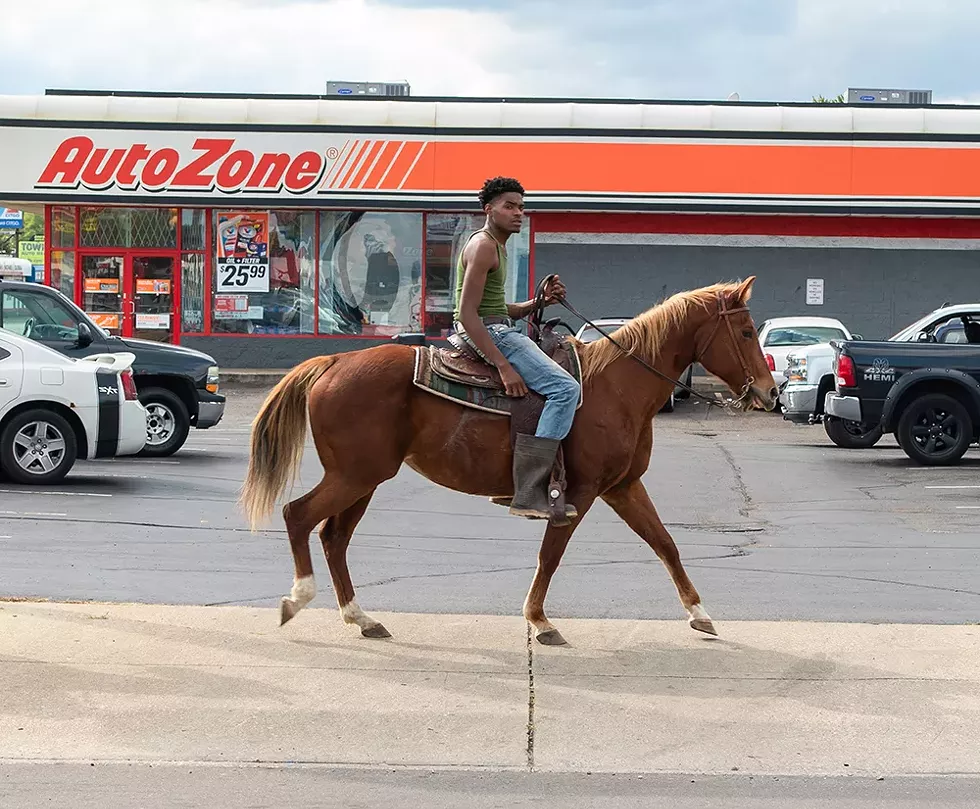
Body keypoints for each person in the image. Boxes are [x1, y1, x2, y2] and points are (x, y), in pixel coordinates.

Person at [453, 176, 580, 522]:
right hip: (493, 335)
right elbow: (467, 315)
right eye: (509, 206)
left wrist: (538, 302)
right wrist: (504, 367)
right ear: (488, 209)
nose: (518, 213)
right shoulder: (484, 246)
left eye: (521, 207)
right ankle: (529, 491)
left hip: (496, 325)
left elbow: (495, 307)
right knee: (566, 389)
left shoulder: (496, 245)